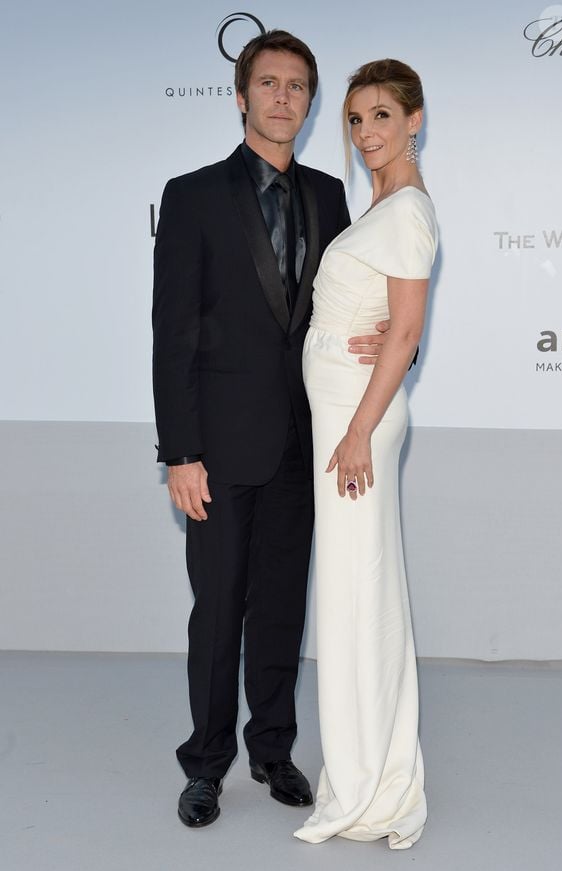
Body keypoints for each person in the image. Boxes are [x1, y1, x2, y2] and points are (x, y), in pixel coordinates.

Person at [152, 31, 389, 829]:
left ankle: (274, 749)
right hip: (217, 449)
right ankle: (207, 763)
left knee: (282, 606)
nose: (283, 96)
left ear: (310, 103)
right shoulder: (191, 195)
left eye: (297, 86)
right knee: (218, 608)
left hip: (302, 444)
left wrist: (390, 338)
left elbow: (343, 308)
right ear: (242, 95)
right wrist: (180, 452)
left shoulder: (328, 196)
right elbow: (173, 334)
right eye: (269, 83)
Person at [294, 59, 438, 849]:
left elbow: (407, 331)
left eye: (381, 115)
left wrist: (356, 427)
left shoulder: (407, 208)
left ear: (415, 120)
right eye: (354, 119)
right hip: (346, 414)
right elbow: (391, 320)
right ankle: (368, 768)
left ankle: (373, 783)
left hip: (360, 427)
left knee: (360, 594)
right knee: (355, 593)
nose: (365, 132)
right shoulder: (376, 204)